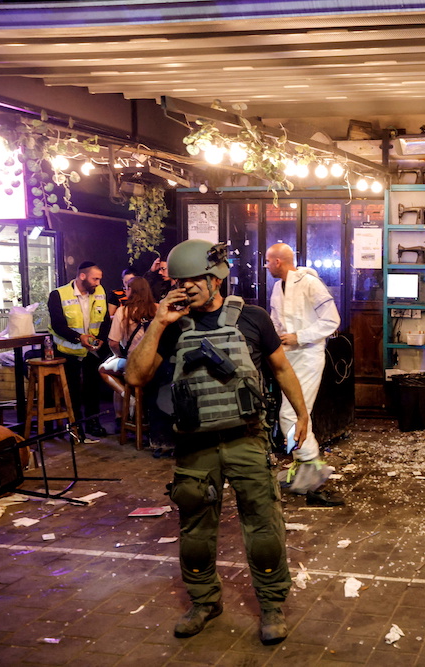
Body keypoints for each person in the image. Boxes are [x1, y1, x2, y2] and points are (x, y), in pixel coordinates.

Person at [125, 239, 309, 645]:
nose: (186, 287)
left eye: (194, 279)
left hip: (246, 438)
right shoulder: (171, 327)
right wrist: (157, 323)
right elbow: (136, 377)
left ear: (216, 277)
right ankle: (205, 601)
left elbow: (280, 370)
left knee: (263, 529)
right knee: (194, 532)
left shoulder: (253, 318)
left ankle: (272, 604)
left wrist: (302, 413)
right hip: (194, 445)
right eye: (179, 280)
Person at [264, 243, 343, 506]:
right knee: (291, 413)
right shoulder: (278, 287)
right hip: (288, 356)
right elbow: (277, 322)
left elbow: (332, 320)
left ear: (278, 261)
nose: (265, 266)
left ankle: (312, 467)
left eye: (267, 261)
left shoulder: (310, 283)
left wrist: (300, 337)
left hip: (308, 356)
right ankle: (302, 464)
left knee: (293, 413)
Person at [48, 261, 118, 440]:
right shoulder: (58, 295)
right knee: (72, 390)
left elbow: (104, 320)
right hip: (69, 350)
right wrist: (80, 338)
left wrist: (101, 338)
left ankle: (93, 422)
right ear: (82, 276)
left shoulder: (100, 292)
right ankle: (75, 425)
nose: (98, 283)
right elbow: (58, 325)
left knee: (92, 388)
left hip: (92, 350)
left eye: (100, 279)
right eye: (95, 279)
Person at [98, 276, 156, 398]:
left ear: (131, 290)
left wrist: (117, 355)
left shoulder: (122, 311)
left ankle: (129, 397)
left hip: (133, 363)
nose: (125, 291)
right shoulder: (158, 308)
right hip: (156, 363)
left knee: (102, 369)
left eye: (126, 288)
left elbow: (113, 343)